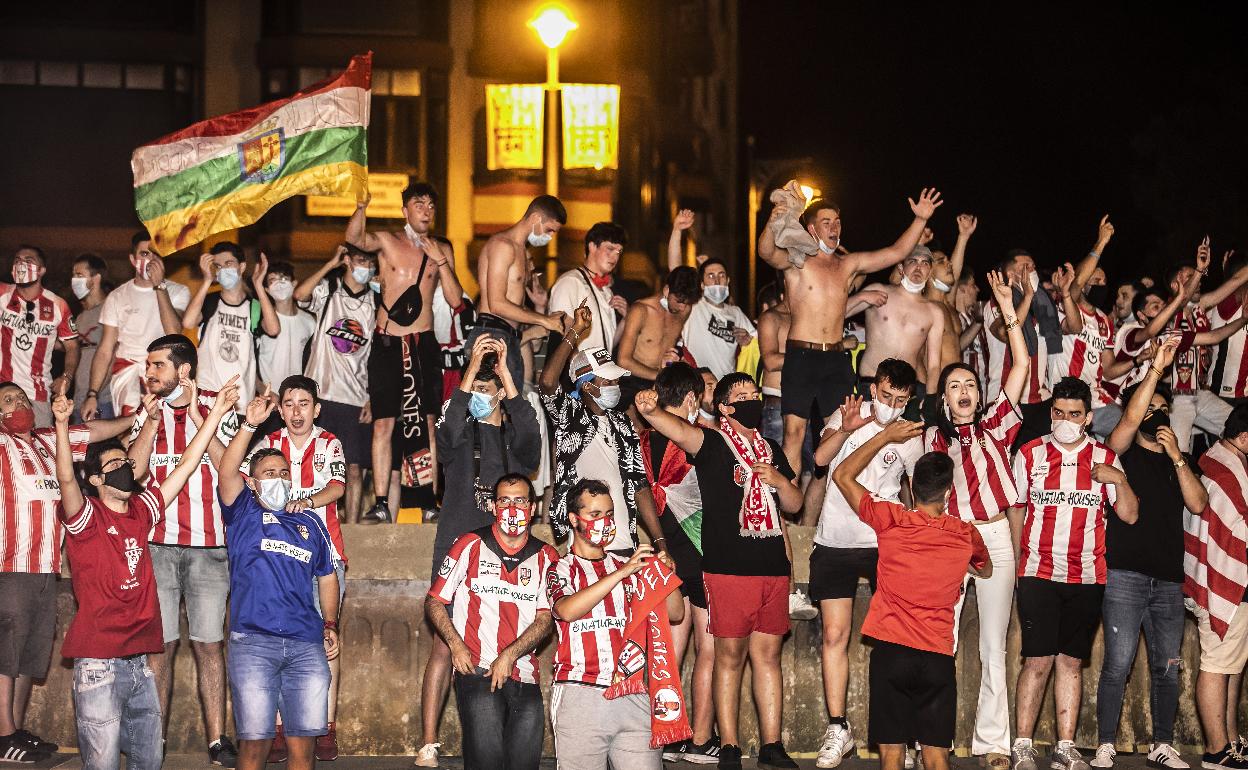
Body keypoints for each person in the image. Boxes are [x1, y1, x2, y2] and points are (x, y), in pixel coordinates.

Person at [54, 380, 237, 770]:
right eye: (114, 465)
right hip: (99, 662)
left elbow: (188, 463)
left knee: (148, 761)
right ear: (97, 480)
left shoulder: (143, 511)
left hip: (140, 660)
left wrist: (215, 413)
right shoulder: (86, 518)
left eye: (128, 463)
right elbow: (68, 479)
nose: (125, 468)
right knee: (102, 762)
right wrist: (59, 425)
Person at [635, 372, 803, 770]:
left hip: (771, 568)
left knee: (768, 656)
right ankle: (727, 745)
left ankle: (772, 744)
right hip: (727, 568)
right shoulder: (710, 442)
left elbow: (793, 505)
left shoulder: (770, 449)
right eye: (741, 396)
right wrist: (650, 409)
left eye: (754, 394)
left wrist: (778, 479)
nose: (751, 400)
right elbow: (674, 428)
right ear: (724, 406)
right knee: (729, 656)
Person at [831, 422, 991, 770]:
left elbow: (842, 475)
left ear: (911, 488)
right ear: (948, 492)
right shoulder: (965, 535)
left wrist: (885, 437)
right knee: (935, 757)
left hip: (891, 655)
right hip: (936, 658)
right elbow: (986, 569)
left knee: (891, 756)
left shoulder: (891, 519)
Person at [416, 336, 542, 768]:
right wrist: (469, 372)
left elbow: (531, 436)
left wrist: (507, 377)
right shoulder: (457, 444)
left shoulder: (514, 449)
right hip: (457, 549)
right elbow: (447, 425)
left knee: (507, 640)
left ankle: (500, 738)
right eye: (477, 393)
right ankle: (429, 742)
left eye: (489, 394)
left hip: (507, 556)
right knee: (444, 646)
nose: (481, 399)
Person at [757, 188, 941, 478]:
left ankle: (838, 503)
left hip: (835, 359)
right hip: (801, 356)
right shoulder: (797, 261)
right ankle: (783, 517)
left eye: (837, 222)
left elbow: (895, 253)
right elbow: (766, 251)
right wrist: (775, 217)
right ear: (812, 228)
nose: (834, 227)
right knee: (794, 434)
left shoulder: (847, 264)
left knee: (842, 433)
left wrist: (919, 220)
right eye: (826, 222)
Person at [924, 270, 1030, 770]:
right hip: (949, 540)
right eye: (954, 386)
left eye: (969, 383)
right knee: (937, 642)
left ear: (977, 393)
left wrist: (1008, 310)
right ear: (945, 399)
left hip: (995, 538)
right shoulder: (934, 441)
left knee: (993, 646)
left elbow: (1023, 364)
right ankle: (929, 742)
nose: (963, 390)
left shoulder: (996, 426)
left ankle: (993, 744)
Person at [1009, 377, 1139, 770]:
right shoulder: (1030, 454)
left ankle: (1065, 746)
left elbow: (1130, 514)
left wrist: (1119, 479)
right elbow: (1016, 509)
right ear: (1051, 414)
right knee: (1037, 660)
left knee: (1070, 661)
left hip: (1087, 575)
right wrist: (1020, 566)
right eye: (1060, 413)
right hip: (1038, 571)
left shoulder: (1105, 459)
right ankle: (1022, 745)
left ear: (1089, 417)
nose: (1066, 420)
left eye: (1075, 414)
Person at [126, 334, 242, 767]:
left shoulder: (218, 403)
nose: (149, 372)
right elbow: (132, 474)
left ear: (184, 370)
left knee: (210, 645)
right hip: (156, 546)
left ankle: (217, 740)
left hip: (211, 549)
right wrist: (152, 424)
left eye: (158, 365)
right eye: (149, 364)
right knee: (159, 647)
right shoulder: (147, 410)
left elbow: (233, 465)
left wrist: (198, 417)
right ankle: (152, 739)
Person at [0, 381, 131, 763]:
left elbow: (95, 431)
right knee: (5, 654)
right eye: (8, 400)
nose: (18, 404)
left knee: (29, 656)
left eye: (22, 398)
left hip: (46, 567)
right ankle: (1, 734)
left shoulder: (46, 440)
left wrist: (137, 417)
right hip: (9, 564)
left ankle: (15, 729)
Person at [214, 386, 341, 770]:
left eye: (284, 473)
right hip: (254, 643)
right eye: (269, 473)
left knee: (303, 748)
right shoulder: (242, 515)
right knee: (256, 745)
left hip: (305, 644)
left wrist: (331, 622)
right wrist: (249, 425)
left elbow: (328, 576)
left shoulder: (308, 524)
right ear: (252, 482)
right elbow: (225, 469)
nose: (279, 478)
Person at [809, 359, 923, 768]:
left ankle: (901, 734)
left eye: (901, 399)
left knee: (895, 640)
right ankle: (838, 727)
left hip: (884, 542)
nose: (892, 405)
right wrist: (845, 428)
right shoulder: (848, 413)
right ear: (874, 388)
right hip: (836, 538)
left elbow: (915, 495)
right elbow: (821, 461)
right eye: (887, 395)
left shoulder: (910, 435)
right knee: (835, 635)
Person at [1089, 336, 1197, 769]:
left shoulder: (1180, 459)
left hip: (1169, 580)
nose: (1156, 415)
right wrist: (1155, 370)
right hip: (1125, 576)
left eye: (1162, 409)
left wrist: (1176, 457)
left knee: (1167, 667)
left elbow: (1199, 504)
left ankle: (1162, 743)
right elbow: (1132, 416)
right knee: (1117, 665)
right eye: (1149, 408)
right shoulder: (1121, 451)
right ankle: (1105, 742)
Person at [546, 479, 684, 770]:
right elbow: (567, 610)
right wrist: (622, 575)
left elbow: (675, 613)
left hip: (633, 692)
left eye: (608, 514)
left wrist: (664, 576)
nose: (604, 522)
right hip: (581, 694)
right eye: (595, 515)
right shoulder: (560, 567)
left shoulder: (627, 564)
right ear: (573, 519)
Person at [347, 182, 464, 524]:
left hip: (423, 343)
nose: (426, 210)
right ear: (405, 211)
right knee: (384, 422)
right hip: (387, 344)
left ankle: (428, 501)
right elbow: (355, 240)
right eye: (419, 204)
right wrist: (360, 208)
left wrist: (441, 261)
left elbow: (456, 299)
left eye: (431, 205)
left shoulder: (441, 248)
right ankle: (381, 502)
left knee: (428, 420)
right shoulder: (387, 240)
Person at [245, 376, 348, 762]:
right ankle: (274, 728)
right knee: (274, 640)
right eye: (288, 404)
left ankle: (326, 727)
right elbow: (244, 482)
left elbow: (338, 487)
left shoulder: (330, 442)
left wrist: (304, 502)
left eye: (304, 403)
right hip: (280, 557)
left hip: (327, 554)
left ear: (316, 408)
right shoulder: (267, 444)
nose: (296, 411)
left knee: (327, 637)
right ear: (280, 408)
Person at [425, 474, 557, 770]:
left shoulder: (547, 556)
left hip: (524, 674)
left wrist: (509, 655)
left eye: (520, 500)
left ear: (533, 507)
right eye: (504, 500)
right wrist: (456, 645)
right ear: (493, 507)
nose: (512, 508)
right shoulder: (470, 544)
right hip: (476, 670)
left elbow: (546, 618)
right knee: (486, 761)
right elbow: (434, 600)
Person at [636, 364, 719, 764]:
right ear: (690, 398)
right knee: (710, 649)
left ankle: (667, 736)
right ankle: (701, 740)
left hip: (663, 551)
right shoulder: (695, 439)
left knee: (670, 650)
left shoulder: (640, 439)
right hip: (699, 551)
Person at [539, 305, 663, 556]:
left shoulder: (624, 424)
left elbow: (640, 486)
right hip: (589, 548)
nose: (615, 385)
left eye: (616, 380)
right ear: (587, 387)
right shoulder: (569, 416)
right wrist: (575, 330)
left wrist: (661, 542)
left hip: (626, 544)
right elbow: (548, 382)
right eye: (607, 381)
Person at [295, 243, 378, 524]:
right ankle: (312, 522)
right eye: (359, 260)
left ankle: (351, 529)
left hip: (355, 398)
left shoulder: (376, 303)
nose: (364, 266)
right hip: (321, 394)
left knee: (353, 470)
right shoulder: (330, 291)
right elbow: (300, 294)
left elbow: (378, 354)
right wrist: (331, 264)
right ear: (347, 261)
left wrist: (372, 397)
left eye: (369, 261)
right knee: (316, 463)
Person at [1185, 403, 1248, 770]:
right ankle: (1216, 750)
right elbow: (1235, 530)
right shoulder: (1226, 471)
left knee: (1231, 665)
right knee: (1217, 664)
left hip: (1221, 580)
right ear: (1243, 437)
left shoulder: (1217, 459)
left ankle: (1231, 742)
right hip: (1222, 582)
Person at [81, 232, 189, 420]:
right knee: (131, 428)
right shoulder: (117, 296)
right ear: (133, 259)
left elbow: (174, 332)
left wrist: (159, 286)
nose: (151, 260)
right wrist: (92, 394)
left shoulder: (178, 291)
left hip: (164, 372)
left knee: (163, 429)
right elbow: (105, 349)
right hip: (127, 373)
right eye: (145, 254)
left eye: (156, 255)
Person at [985, 251, 1083, 447]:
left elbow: (1074, 327)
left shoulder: (1044, 307)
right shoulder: (997, 303)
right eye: (1025, 267)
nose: (1032, 271)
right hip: (1004, 398)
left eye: (1033, 267)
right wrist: (1027, 297)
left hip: (1040, 400)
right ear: (1010, 274)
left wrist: (1065, 294)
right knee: (1004, 461)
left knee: (1041, 461)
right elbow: (1006, 333)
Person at [472, 194, 570, 387]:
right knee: (492, 412)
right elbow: (497, 304)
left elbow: (513, 305)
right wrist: (543, 320)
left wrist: (540, 309)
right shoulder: (502, 246)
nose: (550, 237)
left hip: (511, 335)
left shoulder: (521, 251)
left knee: (518, 407)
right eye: (549, 230)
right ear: (535, 218)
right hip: (492, 334)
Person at [182, 243, 279, 405]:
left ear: (241, 267)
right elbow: (188, 321)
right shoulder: (210, 301)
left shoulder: (254, 306)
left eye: (229, 263)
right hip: (208, 395)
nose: (224, 269)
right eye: (218, 266)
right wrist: (207, 281)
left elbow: (274, 329)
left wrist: (259, 286)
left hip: (240, 398)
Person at [857, 245, 945, 410]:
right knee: (866, 436)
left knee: (906, 436)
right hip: (872, 383)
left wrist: (931, 399)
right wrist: (861, 296)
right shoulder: (879, 292)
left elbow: (934, 365)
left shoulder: (934, 312)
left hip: (909, 390)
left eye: (925, 263)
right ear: (901, 268)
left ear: (930, 271)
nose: (918, 267)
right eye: (912, 261)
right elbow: (839, 313)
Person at [1, 245, 79, 426]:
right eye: (17, 261)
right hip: (2, 390)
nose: (21, 265)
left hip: (36, 392)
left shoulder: (58, 305)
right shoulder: (3, 293)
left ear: (42, 270)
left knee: (41, 445)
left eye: (28, 261)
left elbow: (73, 347)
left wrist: (66, 377)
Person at [1056, 217, 1119, 437]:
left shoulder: (1105, 320)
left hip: (1097, 400)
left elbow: (1109, 369)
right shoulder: (1067, 305)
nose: (1102, 286)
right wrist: (1101, 242)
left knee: (1130, 426)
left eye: (1104, 282)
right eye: (1096, 281)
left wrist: (1141, 360)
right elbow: (1077, 282)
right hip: (1067, 396)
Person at [614, 266, 702, 415]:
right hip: (634, 382)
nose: (682, 307)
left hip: (663, 383)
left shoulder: (685, 309)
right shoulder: (640, 310)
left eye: (687, 302)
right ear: (667, 290)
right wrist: (661, 376)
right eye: (679, 301)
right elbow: (623, 360)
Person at [549, 221, 629, 355]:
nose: (615, 257)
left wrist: (627, 319)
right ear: (592, 246)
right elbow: (563, 335)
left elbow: (607, 346)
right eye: (610, 249)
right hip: (576, 373)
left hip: (598, 372)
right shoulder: (571, 282)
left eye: (619, 252)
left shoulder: (606, 290)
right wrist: (584, 373)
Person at [680, 258, 756, 380]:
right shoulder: (693, 307)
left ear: (728, 280)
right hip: (698, 384)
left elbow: (757, 344)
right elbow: (676, 270)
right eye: (711, 276)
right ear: (702, 284)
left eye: (722, 276)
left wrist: (747, 340)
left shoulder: (736, 313)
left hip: (726, 388)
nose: (717, 281)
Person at [923, 215, 977, 377]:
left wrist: (963, 237)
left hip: (953, 386)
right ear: (927, 271)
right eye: (941, 261)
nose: (949, 264)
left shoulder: (948, 305)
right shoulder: (923, 305)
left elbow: (956, 270)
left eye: (948, 260)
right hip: (933, 389)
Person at [257, 260, 317, 391]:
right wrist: (262, 389)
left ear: (294, 283)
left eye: (284, 278)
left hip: (298, 396)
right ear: (266, 289)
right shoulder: (262, 320)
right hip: (270, 395)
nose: (279, 284)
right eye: (273, 280)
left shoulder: (310, 321)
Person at [70, 254, 114, 421]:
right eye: (73, 275)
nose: (74, 280)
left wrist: (94, 395)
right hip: (80, 400)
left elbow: (110, 355)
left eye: (79, 275)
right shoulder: (81, 317)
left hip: (102, 401)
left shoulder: (110, 309)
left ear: (96, 278)